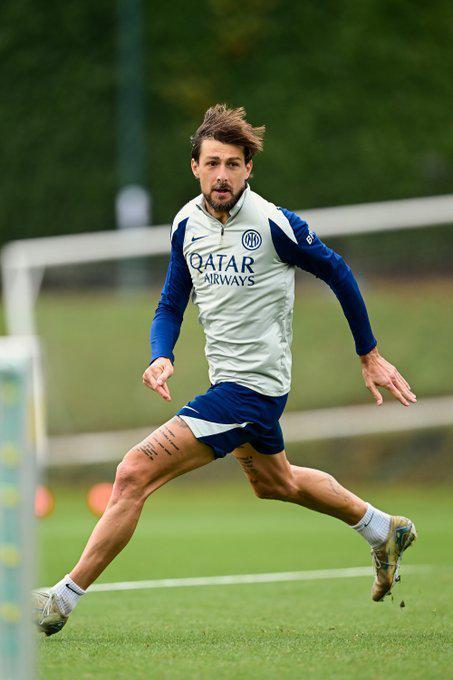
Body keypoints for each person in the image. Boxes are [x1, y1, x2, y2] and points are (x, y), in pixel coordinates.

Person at [34, 104, 417, 637]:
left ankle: (60, 600)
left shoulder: (275, 224)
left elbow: (339, 273)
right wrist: (161, 354)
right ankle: (382, 529)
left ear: (248, 169)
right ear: (195, 166)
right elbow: (171, 302)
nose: (222, 175)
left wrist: (368, 353)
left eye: (233, 164)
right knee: (275, 482)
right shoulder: (185, 224)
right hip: (229, 386)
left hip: (252, 390)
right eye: (212, 163)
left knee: (132, 473)